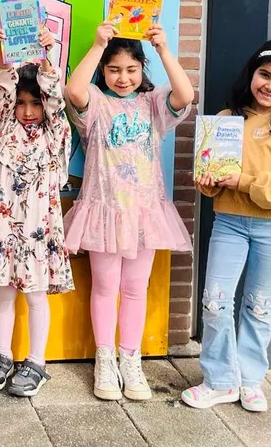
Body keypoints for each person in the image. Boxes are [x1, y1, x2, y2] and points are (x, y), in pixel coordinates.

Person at [182, 40, 271, 413]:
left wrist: (244, 182)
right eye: (265, 74)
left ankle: (251, 378)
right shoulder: (227, 119)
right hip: (229, 223)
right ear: (251, 74)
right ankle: (219, 379)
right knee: (215, 301)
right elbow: (208, 183)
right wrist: (208, 175)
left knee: (259, 305)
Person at [64, 22, 194, 401]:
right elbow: (74, 90)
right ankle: (105, 360)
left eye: (131, 69)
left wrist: (164, 49)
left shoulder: (153, 105)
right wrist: (98, 44)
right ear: (104, 71)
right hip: (105, 211)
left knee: (135, 289)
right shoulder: (96, 104)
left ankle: (130, 360)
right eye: (114, 69)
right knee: (105, 287)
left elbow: (184, 94)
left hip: (144, 212)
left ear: (142, 70)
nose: (123, 77)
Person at [0, 22, 73, 397]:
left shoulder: (54, 130)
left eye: (34, 103)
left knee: (35, 296)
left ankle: (36, 362)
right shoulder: (6, 125)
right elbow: (2, 89)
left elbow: (54, 97)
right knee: (3, 292)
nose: (28, 110)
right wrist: (0, 48)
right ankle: (2, 356)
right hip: (4, 229)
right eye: (22, 103)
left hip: (38, 231)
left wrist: (49, 53)